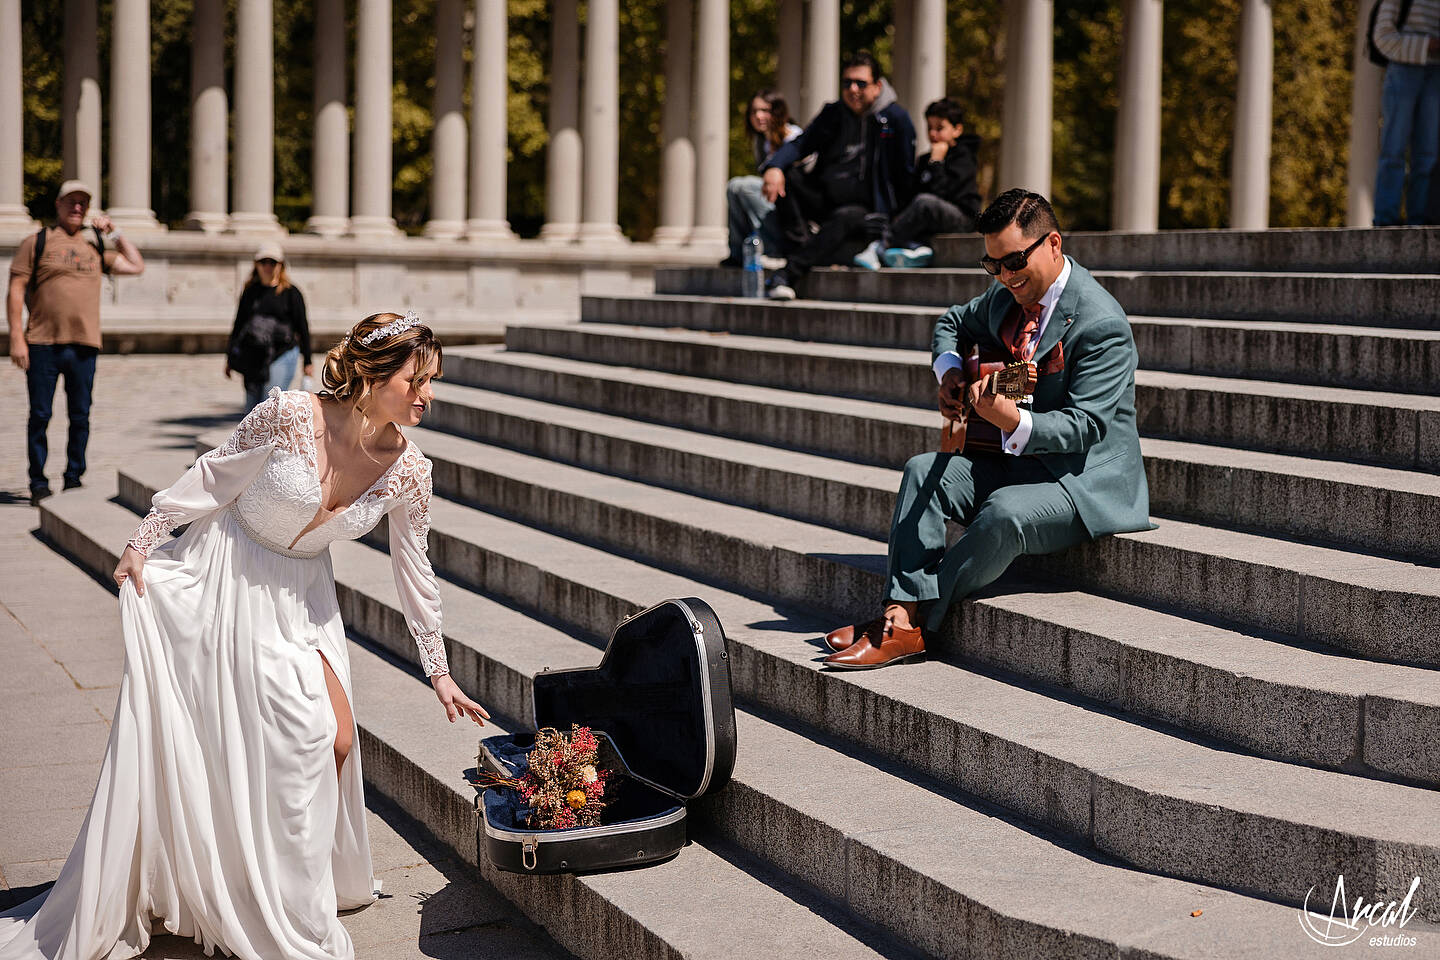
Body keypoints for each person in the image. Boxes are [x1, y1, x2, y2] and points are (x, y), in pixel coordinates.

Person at [0, 311, 489, 960]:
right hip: (227, 577)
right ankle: (260, 897)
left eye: (435, 382)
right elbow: (211, 477)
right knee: (289, 741)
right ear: (372, 374)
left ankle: (286, 888)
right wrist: (143, 540)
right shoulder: (287, 413)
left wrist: (440, 670)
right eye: (417, 379)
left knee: (336, 738)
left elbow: (415, 572)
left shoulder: (409, 470)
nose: (428, 395)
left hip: (306, 601)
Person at [821, 189, 1151, 669]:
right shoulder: (1006, 297)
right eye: (992, 265)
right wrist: (951, 372)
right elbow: (953, 321)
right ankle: (899, 617)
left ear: (1053, 244)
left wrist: (1011, 420)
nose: (1005, 277)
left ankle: (903, 622)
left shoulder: (1103, 324)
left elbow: (1087, 426)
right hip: (1015, 462)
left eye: (1015, 261)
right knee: (921, 470)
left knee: (1002, 512)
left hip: (1083, 480)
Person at [6, 180, 145, 506]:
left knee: (80, 415)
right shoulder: (37, 242)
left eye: (83, 202)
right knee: (40, 415)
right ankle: (38, 482)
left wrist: (114, 232)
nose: (77, 207)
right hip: (42, 342)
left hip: (84, 344)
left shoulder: (96, 244)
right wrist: (16, 336)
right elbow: (15, 288)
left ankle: (73, 479)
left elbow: (137, 265)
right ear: (58, 204)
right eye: (71, 201)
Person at [760, 52, 916, 300]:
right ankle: (801, 246)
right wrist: (774, 167)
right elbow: (801, 144)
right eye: (847, 83)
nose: (852, 89)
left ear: (877, 87)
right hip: (827, 199)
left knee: (846, 217)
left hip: (866, 210)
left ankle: (788, 273)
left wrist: (897, 221)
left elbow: (906, 175)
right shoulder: (833, 113)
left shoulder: (896, 119)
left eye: (860, 83)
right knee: (787, 177)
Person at [854, 98, 982, 270]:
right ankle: (913, 249)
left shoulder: (964, 157)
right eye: (929, 128)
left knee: (925, 203)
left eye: (940, 128)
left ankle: (880, 247)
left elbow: (943, 193)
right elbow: (912, 194)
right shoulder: (924, 160)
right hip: (931, 218)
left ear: (957, 130)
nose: (933, 134)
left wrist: (937, 163)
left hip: (962, 218)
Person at [1371, 0, 1440, 225]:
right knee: (1394, 149)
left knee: (1428, 154)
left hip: (1436, 73)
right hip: (1403, 70)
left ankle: (1419, 219)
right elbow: (1382, 37)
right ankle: (1385, 219)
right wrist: (1426, 45)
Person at [226, 242, 313, 413]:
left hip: (282, 352)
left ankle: (271, 440)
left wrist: (308, 360)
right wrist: (229, 356)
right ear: (256, 265)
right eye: (263, 262)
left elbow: (302, 327)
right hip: (253, 352)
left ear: (281, 265)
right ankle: (253, 440)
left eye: (272, 262)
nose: (267, 267)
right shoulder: (250, 292)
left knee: (270, 403)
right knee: (251, 406)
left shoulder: (291, 293)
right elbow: (239, 324)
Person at [722, 89, 803, 267]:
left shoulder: (794, 137)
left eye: (765, 110)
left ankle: (774, 249)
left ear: (778, 112)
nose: (758, 116)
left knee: (742, 186)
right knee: (734, 187)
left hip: (795, 214)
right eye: (753, 111)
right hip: (775, 206)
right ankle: (737, 253)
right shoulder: (761, 142)